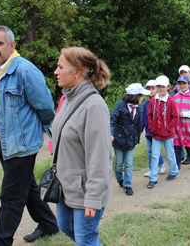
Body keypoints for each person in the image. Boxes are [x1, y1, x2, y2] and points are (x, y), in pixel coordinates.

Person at [0, 26, 59, 246]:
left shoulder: (25, 70)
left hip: (21, 145)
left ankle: (2, 242)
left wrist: (52, 134)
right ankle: (48, 224)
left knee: (11, 196)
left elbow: (45, 106)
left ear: (12, 45)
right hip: (4, 143)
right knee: (26, 189)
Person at [52, 46, 112, 245]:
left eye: (60, 67)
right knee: (67, 228)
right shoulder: (68, 99)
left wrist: (93, 197)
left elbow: (100, 156)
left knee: (85, 240)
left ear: (76, 71)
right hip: (66, 187)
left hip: (85, 191)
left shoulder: (93, 105)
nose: (56, 71)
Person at [111, 83, 149, 196]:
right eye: (141, 96)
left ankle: (127, 185)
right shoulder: (120, 105)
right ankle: (119, 178)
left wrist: (137, 137)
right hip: (119, 140)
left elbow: (137, 124)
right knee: (118, 164)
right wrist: (111, 133)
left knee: (129, 163)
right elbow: (112, 120)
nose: (143, 98)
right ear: (135, 96)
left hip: (131, 140)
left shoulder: (139, 108)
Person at [147, 75, 180, 189]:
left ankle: (174, 171)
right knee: (155, 156)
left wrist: (168, 128)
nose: (161, 89)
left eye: (163, 86)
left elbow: (175, 117)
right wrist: (152, 127)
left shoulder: (171, 101)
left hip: (168, 134)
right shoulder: (154, 101)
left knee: (170, 154)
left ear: (168, 87)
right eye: (159, 86)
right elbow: (150, 115)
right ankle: (153, 178)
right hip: (156, 133)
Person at [174, 75, 190, 169]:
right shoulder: (175, 96)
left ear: (189, 84)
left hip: (188, 125)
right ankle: (176, 166)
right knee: (176, 145)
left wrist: (184, 114)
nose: (182, 86)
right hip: (177, 126)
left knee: (189, 145)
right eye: (180, 84)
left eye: (184, 83)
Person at [140, 80, 166, 177]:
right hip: (148, 131)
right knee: (150, 151)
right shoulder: (146, 103)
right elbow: (143, 117)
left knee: (155, 151)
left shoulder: (160, 101)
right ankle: (152, 168)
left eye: (153, 88)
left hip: (157, 131)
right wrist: (140, 129)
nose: (151, 90)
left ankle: (160, 164)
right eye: (149, 89)